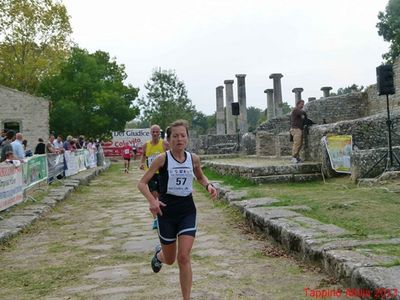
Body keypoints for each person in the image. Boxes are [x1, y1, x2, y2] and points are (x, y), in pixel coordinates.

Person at [137, 120, 217, 300]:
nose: (179, 139)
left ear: (187, 138)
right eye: (175, 136)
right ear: (169, 139)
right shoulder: (162, 159)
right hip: (166, 213)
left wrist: (209, 186)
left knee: (183, 257)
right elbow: (142, 183)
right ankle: (159, 255)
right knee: (171, 259)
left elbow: (200, 177)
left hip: (187, 211)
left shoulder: (194, 159)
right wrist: (152, 201)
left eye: (183, 135)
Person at [139, 124, 168, 229]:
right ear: (150, 133)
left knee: (162, 196)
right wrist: (142, 163)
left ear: (159, 133)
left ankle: (163, 216)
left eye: (157, 132)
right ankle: (156, 218)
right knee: (153, 196)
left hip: (162, 173)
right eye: (153, 132)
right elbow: (143, 155)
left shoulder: (164, 144)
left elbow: (169, 156)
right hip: (151, 173)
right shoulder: (146, 145)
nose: (155, 134)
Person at [290, 99, 307, 163]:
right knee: (297, 143)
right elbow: (303, 113)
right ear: (298, 104)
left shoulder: (299, 111)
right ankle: (293, 157)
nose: (302, 105)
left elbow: (304, 116)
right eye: (301, 104)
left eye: (303, 104)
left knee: (300, 144)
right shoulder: (296, 110)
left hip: (299, 129)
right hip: (296, 129)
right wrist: (305, 114)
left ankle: (297, 157)